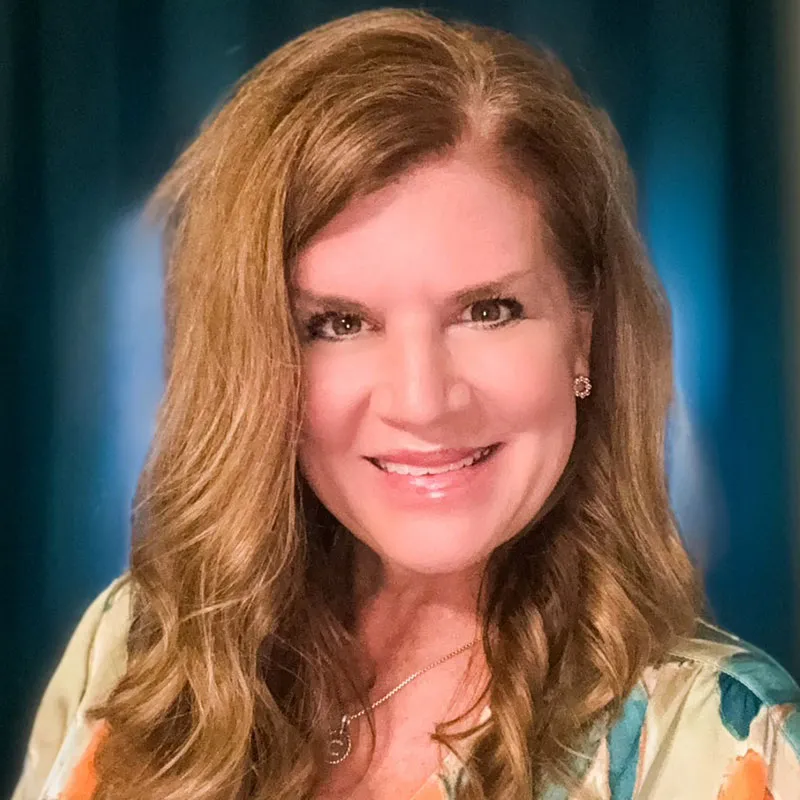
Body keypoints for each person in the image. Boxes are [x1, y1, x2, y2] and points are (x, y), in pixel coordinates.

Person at [12, 8, 800, 800]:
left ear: (583, 337)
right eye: (340, 323)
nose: (423, 402)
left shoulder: (726, 745)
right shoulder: (134, 656)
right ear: (255, 360)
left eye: (488, 310)